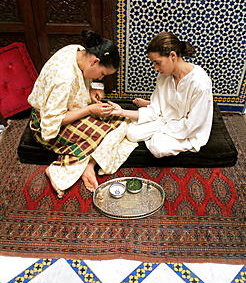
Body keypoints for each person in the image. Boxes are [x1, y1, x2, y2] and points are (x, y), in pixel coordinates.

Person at [28, 30, 137, 198]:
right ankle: (57, 171)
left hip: (68, 111)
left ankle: (88, 165)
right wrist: (89, 109)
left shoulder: (76, 50)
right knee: (113, 131)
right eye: (102, 74)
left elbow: (82, 78)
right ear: (95, 61)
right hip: (47, 124)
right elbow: (52, 122)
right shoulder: (63, 78)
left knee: (122, 123)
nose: (100, 78)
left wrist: (92, 88)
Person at [108, 31, 213, 158]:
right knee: (132, 133)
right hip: (165, 120)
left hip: (187, 129)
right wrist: (122, 112)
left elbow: (193, 125)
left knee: (158, 148)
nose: (155, 68)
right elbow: (154, 111)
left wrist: (160, 126)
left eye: (157, 62)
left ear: (172, 56)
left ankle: (158, 132)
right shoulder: (163, 77)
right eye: (153, 63)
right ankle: (157, 127)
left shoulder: (199, 82)